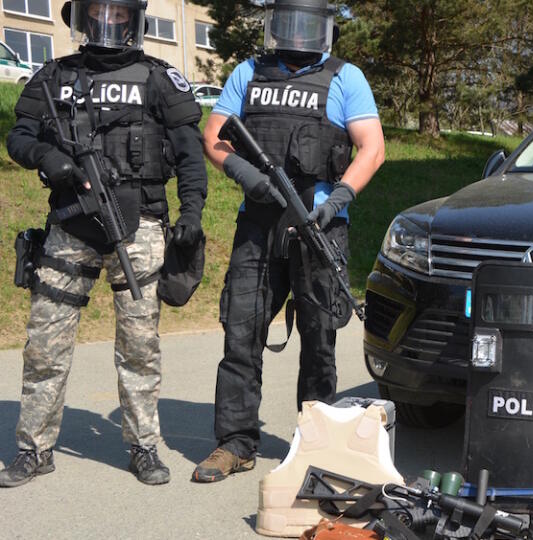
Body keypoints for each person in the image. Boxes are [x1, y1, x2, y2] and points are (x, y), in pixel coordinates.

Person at [0, 0, 207, 487]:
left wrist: (193, 213)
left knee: (139, 347)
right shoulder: (53, 76)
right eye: (99, 13)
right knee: (45, 346)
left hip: (139, 228)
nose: (109, 23)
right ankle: (35, 449)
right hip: (71, 225)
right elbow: (19, 137)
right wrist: (45, 156)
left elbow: (189, 156)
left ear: (135, 22)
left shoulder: (159, 78)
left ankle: (143, 447)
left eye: (120, 15)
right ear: (82, 19)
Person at [192, 0, 384, 482]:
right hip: (258, 223)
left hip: (320, 226)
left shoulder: (346, 77)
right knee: (242, 333)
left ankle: (313, 446)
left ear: (325, 29)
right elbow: (214, 135)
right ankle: (235, 443)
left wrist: (337, 199)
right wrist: (244, 174)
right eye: (289, 22)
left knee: (320, 339)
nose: (298, 33)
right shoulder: (248, 73)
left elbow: (373, 147)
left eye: (308, 24)